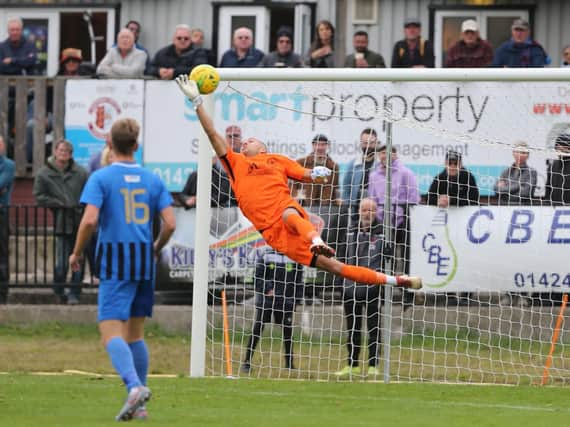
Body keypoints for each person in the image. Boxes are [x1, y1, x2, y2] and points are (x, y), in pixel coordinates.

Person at [176, 74, 422, 291]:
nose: (245, 142)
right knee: (337, 267)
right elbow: (212, 134)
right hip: (274, 233)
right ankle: (397, 281)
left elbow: (305, 174)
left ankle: (318, 241)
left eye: (250, 140)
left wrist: (318, 173)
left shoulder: (278, 160)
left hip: (288, 213)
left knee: (288, 213)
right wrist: (197, 102)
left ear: (262, 147)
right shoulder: (234, 162)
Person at [69, 118, 175, 421]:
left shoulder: (101, 178)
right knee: (135, 334)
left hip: (116, 261)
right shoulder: (152, 179)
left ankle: (133, 387)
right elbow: (170, 223)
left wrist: (76, 252)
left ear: (108, 144)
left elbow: (89, 220)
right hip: (144, 259)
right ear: (136, 146)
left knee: (109, 331)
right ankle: (140, 405)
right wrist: (155, 247)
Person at [33, 139, 88, 305]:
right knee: (61, 261)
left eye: (67, 151)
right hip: (60, 221)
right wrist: (57, 204)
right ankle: (59, 290)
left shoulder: (81, 172)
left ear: (71, 155)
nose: (63, 154)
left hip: (79, 221)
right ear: (55, 152)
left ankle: (75, 293)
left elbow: (88, 194)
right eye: (61, 150)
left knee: (78, 259)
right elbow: (39, 196)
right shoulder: (44, 173)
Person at [335, 198, 384, 378]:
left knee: (374, 328)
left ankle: (373, 365)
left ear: (376, 212)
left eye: (371, 210)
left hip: (373, 288)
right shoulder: (349, 231)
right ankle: (352, 364)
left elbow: (389, 259)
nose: (367, 213)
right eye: (364, 210)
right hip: (350, 288)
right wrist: (340, 284)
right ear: (359, 212)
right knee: (353, 328)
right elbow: (340, 258)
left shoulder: (383, 233)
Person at [241, 249, 303, 374]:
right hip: (266, 300)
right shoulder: (266, 255)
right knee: (258, 328)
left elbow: (298, 282)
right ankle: (246, 362)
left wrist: (295, 300)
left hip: (286, 301)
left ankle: (289, 364)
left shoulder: (294, 256)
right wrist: (268, 289)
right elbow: (257, 277)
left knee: (287, 330)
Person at [368, 145, 420, 279]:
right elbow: (372, 198)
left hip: (402, 221)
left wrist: (403, 213)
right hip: (381, 221)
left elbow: (414, 197)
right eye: (382, 153)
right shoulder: (374, 175)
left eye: (388, 153)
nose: (385, 156)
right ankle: (383, 286)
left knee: (407, 256)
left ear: (395, 155)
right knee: (384, 255)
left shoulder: (406, 173)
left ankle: (408, 291)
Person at [180, 125, 242, 209]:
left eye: (236, 136)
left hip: (233, 205)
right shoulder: (195, 175)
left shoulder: (244, 159)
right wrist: (190, 200)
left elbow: (223, 196)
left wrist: (199, 200)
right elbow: (183, 195)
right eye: (230, 136)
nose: (232, 139)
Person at [343, 128, 380, 226]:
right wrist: (348, 204)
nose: (368, 146)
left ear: (376, 143)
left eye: (371, 143)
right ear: (360, 143)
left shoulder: (381, 165)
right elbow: (346, 186)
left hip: (376, 208)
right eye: (365, 143)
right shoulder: (354, 164)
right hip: (356, 206)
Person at [291, 134, 340, 207]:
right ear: (313, 146)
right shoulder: (301, 163)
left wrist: (336, 202)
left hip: (325, 207)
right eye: (317, 144)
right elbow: (293, 184)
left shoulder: (333, 166)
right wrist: (294, 197)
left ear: (327, 146)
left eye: (323, 145)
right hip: (305, 205)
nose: (320, 147)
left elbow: (335, 188)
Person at [0, 136, 15, 304]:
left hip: (1, 214)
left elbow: (2, 183)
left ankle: (2, 292)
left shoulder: (9, 165)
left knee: (2, 255)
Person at [544, 134, 570, 205]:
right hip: (554, 207)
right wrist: (547, 202)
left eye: (563, 146)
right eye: (557, 147)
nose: (559, 149)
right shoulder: (553, 166)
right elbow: (548, 187)